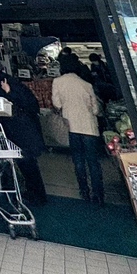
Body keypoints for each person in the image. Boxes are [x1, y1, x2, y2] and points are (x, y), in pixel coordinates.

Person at [0, 57, 47, 205]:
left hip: (20, 129)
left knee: (26, 162)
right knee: (26, 163)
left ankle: (37, 195)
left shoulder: (6, 82)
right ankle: (34, 193)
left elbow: (22, 102)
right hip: (17, 129)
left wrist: (9, 92)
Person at [52, 52, 103, 204]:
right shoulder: (86, 84)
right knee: (93, 162)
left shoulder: (58, 82)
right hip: (89, 127)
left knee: (78, 161)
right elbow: (95, 110)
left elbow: (57, 104)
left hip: (72, 126)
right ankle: (98, 194)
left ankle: (84, 190)